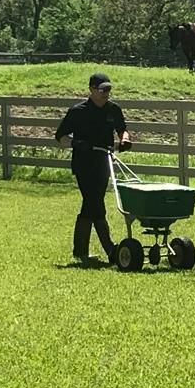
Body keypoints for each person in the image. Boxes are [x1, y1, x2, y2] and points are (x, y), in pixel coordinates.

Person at [55, 72, 132, 263]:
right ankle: (110, 250)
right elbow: (60, 137)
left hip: (104, 162)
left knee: (92, 204)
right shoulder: (78, 111)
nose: (106, 93)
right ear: (91, 90)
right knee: (94, 201)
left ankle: (83, 252)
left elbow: (122, 129)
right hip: (83, 164)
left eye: (109, 89)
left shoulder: (113, 109)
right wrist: (76, 144)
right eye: (102, 89)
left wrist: (125, 140)